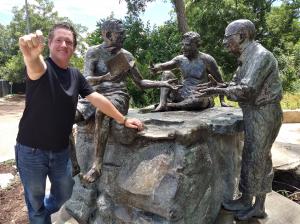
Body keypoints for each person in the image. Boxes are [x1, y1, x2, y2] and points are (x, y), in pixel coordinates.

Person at [16, 22, 143, 224]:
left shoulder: (75, 75)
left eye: (69, 41)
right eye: (59, 40)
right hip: (31, 151)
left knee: (64, 194)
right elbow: (35, 66)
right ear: (49, 43)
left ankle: (40, 213)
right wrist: (30, 56)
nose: (64, 45)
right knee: (35, 201)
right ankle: (39, 216)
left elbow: (98, 99)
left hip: (59, 152)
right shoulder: (42, 68)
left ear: (74, 47)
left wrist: (123, 119)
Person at [196, 19, 282, 220]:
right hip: (254, 112)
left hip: (264, 113)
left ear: (242, 36)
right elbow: (235, 84)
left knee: (258, 158)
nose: (225, 43)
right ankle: (246, 199)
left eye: (228, 38)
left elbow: (247, 90)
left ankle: (258, 206)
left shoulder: (261, 56)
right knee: (252, 156)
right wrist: (217, 87)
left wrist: (218, 90)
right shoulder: (246, 57)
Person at [75, 19, 178, 183]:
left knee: (103, 112)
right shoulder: (93, 52)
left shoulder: (126, 56)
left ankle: (97, 165)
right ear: (108, 34)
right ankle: (73, 164)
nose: (125, 36)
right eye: (120, 33)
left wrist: (163, 83)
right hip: (94, 94)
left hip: (118, 95)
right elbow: (85, 80)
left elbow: (141, 83)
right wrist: (105, 77)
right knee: (66, 115)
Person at [150, 31, 228, 112]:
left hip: (200, 95)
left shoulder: (207, 60)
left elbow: (220, 81)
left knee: (199, 100)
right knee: (167, 73)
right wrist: (156, 68)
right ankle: (162, 104)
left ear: (197, 45)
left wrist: (222, 101)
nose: (183, 48)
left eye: (187, 45)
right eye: (182, 44)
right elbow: (164, 66)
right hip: (182, 93)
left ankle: (172, 106)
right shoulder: (180, 59)